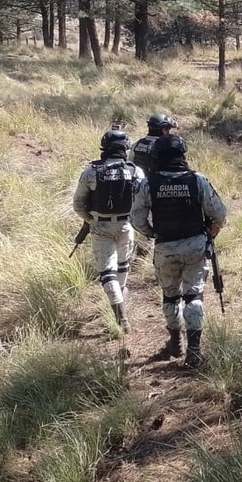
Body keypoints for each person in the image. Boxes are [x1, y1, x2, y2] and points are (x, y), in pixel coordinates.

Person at [130, 134, 228, 369]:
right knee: (194, 295)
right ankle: (194, 351)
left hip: (165, 247)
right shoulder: (197, 180)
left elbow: (136, 218)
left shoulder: (147, 183)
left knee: (171, 296)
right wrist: (211, 234)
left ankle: (175, 342)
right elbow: (220, 215)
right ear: (183, 156)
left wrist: (151, 233)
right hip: (195, 245)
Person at [72, 130, 144, 333]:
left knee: (107, 273)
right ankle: (122, 308)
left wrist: (91, 220)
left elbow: (78, 205)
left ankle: (121, 318)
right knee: (122, 268)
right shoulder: (135, 171)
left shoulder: (91, 172)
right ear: (123, 148)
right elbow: (142, 202)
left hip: (100, 227)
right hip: (126, 226)